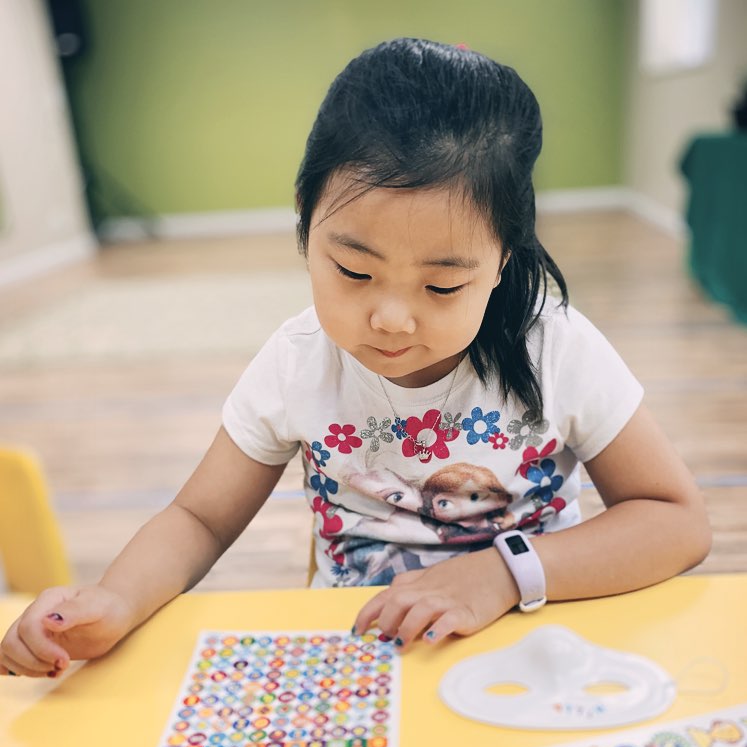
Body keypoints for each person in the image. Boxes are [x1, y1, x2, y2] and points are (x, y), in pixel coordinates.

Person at [0, 38, 711, 677]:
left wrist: (502, 573)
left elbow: (675, 520)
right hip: (358, 653)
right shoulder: (296, 362)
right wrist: (116, 599)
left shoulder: (554, 346)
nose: (390, 317)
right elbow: (200, 518)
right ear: (305, 222)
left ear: (501, 260)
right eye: (353, 271)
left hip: (535, 640)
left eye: (442, 285)